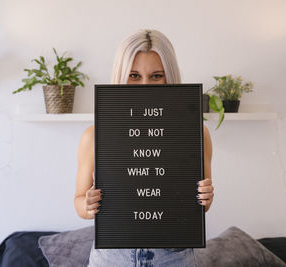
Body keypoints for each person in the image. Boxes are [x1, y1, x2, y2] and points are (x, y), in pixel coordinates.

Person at [74, 29, 214, 267]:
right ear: (121, 76)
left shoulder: (196, 133)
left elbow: (202, 205)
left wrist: (206, 197)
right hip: (112, 257)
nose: (146, 84)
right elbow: (79, 200)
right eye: (134, 75)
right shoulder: (95, 135)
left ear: (169, 77)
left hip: (174, 256)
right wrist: (87, 206)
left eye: (156, 75)